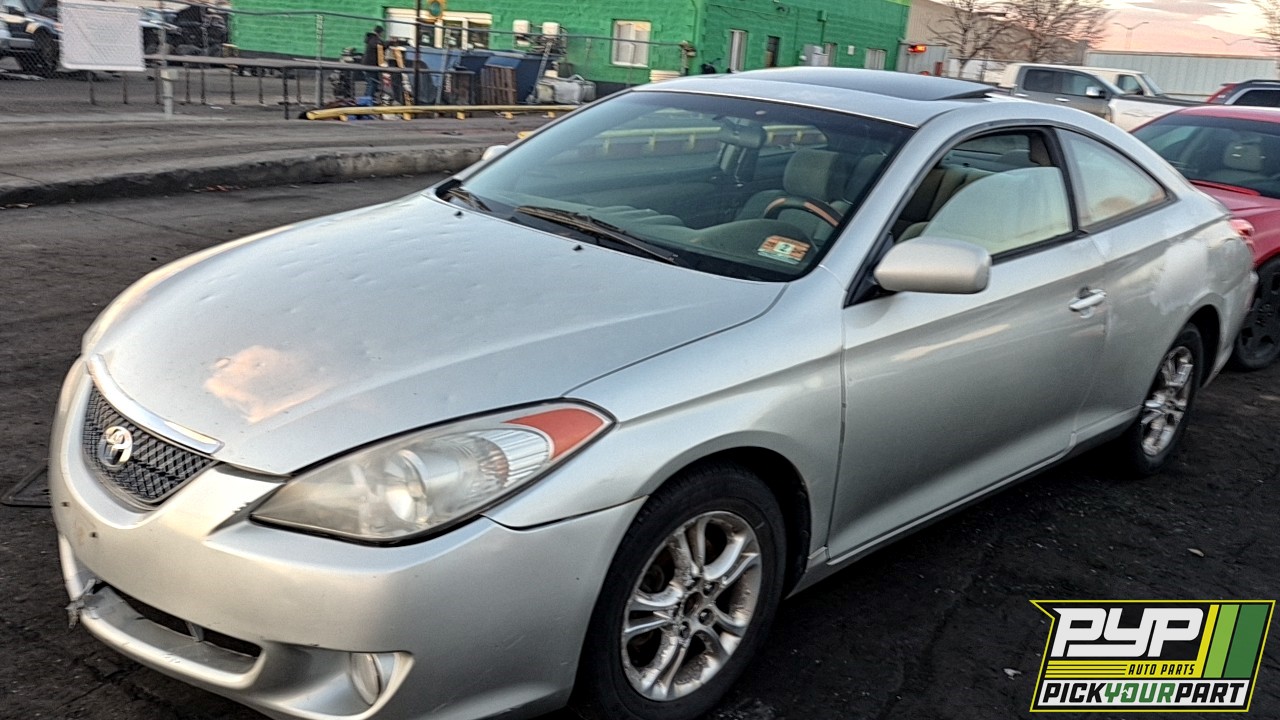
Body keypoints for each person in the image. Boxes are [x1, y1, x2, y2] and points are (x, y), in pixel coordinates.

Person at [361, 25, 385, 98]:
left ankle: (368, 97)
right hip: (370, 65)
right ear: (379, 32)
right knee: (371, 82)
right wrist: (389, 43)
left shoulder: (371, 38)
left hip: (369, 64)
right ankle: (368, 99)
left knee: (372, 82)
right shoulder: (374, 39)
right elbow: (379, 46)